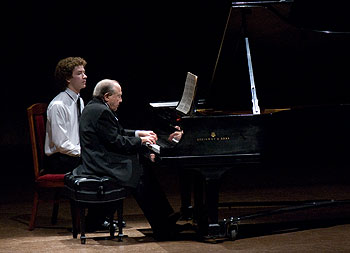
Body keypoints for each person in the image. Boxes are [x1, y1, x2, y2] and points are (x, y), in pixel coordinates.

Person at [73, 79, 189, 240]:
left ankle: (165, 221)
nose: (121, 100)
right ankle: (163, 226)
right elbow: (117, 141)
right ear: (107, 96)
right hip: (100, 163)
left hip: (99, 159)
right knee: (139, 174)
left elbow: (116, 132)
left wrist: (138, 133)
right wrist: (141, 142)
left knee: (142, 168)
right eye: (118, 96)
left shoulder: (95, 107)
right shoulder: (101, 112)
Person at [44, 57, 87, 174]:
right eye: (79, 73)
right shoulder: (58, 105)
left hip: (74, 155)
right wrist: (84, 152)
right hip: (60, 160)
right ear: (68, 78)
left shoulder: (79, 101)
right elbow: (61, 144)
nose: (85, 76)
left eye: (84, 72)